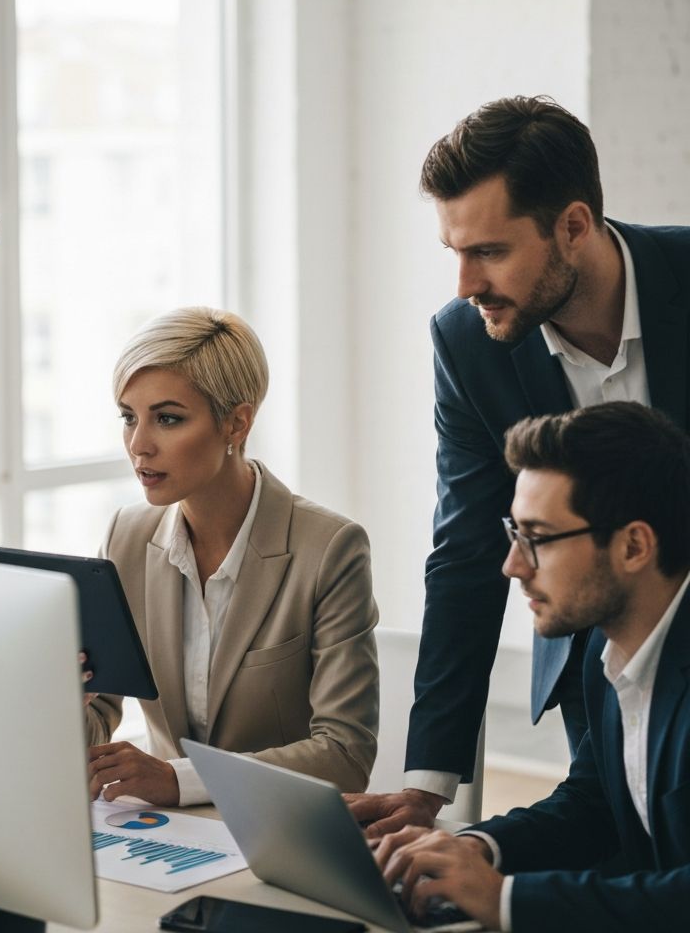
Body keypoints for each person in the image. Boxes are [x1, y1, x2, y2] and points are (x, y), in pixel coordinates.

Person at [347, 95, 690, 835]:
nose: (466, 286)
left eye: (490, 252)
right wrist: (427, 784)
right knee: (616, 844)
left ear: (573, 226)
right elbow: (469, 548)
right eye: (455, 253)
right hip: (598, 653)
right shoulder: (465, 342)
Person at [375, 402, 690, 933]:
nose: (512, 565)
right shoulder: (602, 653)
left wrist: (505, 901)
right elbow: (594, 804)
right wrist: (471, 849)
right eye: (513, 534)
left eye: (538, 538)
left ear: (633, 545)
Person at [85, 307, 379, 806]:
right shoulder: (126, 538)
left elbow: (345, 754)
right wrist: (65, 698)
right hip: (166, 833)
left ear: (236, 424)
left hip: (281, 830)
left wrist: (181, 780)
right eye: (129, 418)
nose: (139, 445)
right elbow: (96, 725)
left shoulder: (330, 549)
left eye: (168, 419)